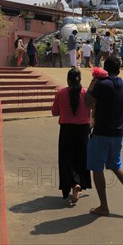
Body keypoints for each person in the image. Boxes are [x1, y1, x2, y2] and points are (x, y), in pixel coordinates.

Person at [84, 56, 123, 217]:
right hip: (118, 132)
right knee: (116, 164)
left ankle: (104, 206)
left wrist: (93, 82)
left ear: (105, 69)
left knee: (96, 168)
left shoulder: (102, 85)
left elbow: (87, 102)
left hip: (102, 132)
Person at [51, 68, 92, 203]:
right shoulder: (86, 93)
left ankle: (73, 183)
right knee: (81, 158)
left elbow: (54, 112)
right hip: (83, 130)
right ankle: (79, 183)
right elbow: (92, 108)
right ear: (80, 79)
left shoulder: (61, 93)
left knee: (66, 158)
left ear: (68, 80)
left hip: (67, 129)